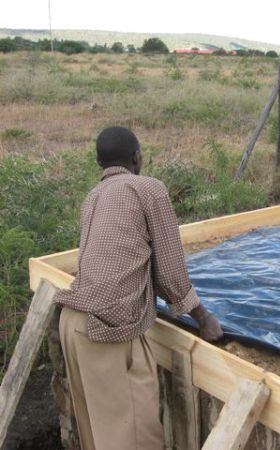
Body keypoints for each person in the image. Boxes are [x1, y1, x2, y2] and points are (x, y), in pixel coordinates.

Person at [54, 126, 223, 450]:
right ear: (136, 157)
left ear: (99, 163)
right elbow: (170, 271)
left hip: (71, 322)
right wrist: (203, 318)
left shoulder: (94, 196)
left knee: (99, 436)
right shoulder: (148, 189)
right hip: (106, 330)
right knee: (135, 438)